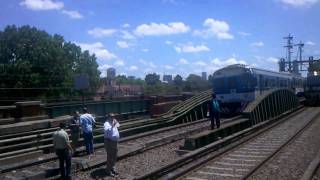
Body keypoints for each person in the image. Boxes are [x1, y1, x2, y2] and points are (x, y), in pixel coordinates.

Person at [103, 113, 120, 177]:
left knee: (115, 155)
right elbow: (107, 131)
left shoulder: (113, 121)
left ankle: (112, 168)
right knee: (110, 156)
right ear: (108, 117)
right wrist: (112, 125)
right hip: (109, 142)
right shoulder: (106, 123)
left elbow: (118, 125)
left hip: (115, 142)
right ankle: (108, 171)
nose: (113, 118)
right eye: (112, 117)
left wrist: (116, 122)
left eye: (114, 116)